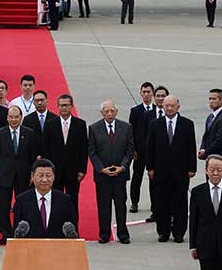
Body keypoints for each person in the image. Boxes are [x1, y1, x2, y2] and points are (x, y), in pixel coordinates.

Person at [146, 95, 197, 243]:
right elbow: (150, 148)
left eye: (172, 105)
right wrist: (150, 167)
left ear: (178, 107)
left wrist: (191, 167)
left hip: (180, 172)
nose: (169, 108)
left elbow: (191, 147)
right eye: (166, 105)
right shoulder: (155, 124)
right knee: (162, 204)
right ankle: (163, 232)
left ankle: (179, 233)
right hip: (160, 172)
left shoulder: (187, 124)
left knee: (180, 203)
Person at [0, 105, 39, 245]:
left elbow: (33, 156)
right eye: (11, 117)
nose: (13, 119)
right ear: (7, 118)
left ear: (21, 117)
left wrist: (32, 174)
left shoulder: (29, 133)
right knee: (3, 206)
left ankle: (21, 232)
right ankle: (6, 233)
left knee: (22, 205)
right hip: (4, 175)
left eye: (16, 117)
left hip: (23, 176)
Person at [87, 100, 134, 244]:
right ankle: (104, 234)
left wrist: (123, 167)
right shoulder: (94, 128)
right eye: (106, 111)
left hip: (120, 175)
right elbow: (92, 151)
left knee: (121, 205)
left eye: (112, 111)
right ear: (102, 113)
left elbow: (129, 150)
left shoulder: (126, 127)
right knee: (103, 205)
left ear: (116, 111)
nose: (109, 113)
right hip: (103, 175)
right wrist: (101, 168)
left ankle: (123, 234)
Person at [11, 159, 77, 238]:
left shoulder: (65, 200)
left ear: (54, 176)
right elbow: (16, 234)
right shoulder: (22, 200)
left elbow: (73, 232)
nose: (44, 180)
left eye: (48, 175)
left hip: (58, 248)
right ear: (32, 176)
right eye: (40, 175)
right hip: (30, 249)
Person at [42, 93, 87, 202]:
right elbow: (46, 148)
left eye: (66, 105)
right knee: (56, 200)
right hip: (55, 171)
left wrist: (82, 170)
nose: (64, 108)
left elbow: (83, 148)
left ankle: (72, 219)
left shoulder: (80, 124)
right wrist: (48, 169)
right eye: (61, 105)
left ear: (71, 106)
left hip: (73, 171)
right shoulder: (50, 124)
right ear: (57, 107)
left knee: (73, 199)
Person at [127, 82, 155, 213]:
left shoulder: (158, 110)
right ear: (140, 93)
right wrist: (132, 149)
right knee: (137, 177)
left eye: (148, 92)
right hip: (139, 151)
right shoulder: (135, 111)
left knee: (153, 178)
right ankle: (134, 202)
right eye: (144, 92)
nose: (146, 94)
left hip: (153, 151)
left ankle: (154, 204)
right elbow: (130, 132)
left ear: (152, 93)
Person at [199, 89, 222, 162]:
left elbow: (220, 140)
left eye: (214, 99)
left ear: (221, 100)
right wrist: (202, 148)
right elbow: (206, 135)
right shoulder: (210, 116)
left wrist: (206, 152)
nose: (211, 101)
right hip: (209, 157)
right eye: (210, 99)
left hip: (218, 156)